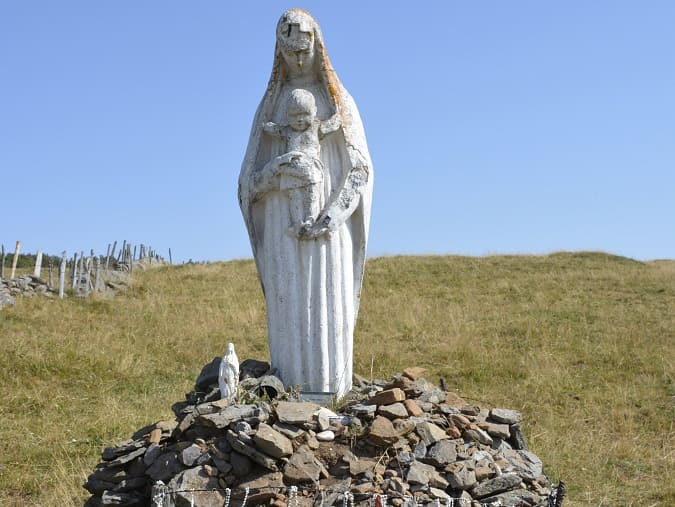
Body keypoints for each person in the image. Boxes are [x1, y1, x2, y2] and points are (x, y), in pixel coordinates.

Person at [238, 8, 373, 398]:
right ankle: (291, 390)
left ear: (318, 46)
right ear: (279, 52)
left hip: (329, 229)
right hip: (283, 225)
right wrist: (275, 174)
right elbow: (247, 183)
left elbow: (360, 169)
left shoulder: (339, 102)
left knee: (328, 304)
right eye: (290, 50)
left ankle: (333, 390)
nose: (298, 58)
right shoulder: (269, 108)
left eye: (305, 47)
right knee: (290, 306)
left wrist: (332, 215)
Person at [262, 88, 341, 235]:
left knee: (312, 192)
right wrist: (266, 126)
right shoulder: (287, 131)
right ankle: (297, 222)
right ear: (287, 115)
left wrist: (338, 116)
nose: (299, 119)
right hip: (292, 165)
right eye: (294, 115)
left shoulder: (315, 127)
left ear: (314, 111)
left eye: (304, 114)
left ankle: (310, 219)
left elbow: (331, 126)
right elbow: (276, 130)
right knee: (294, 195)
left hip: (310, 166)